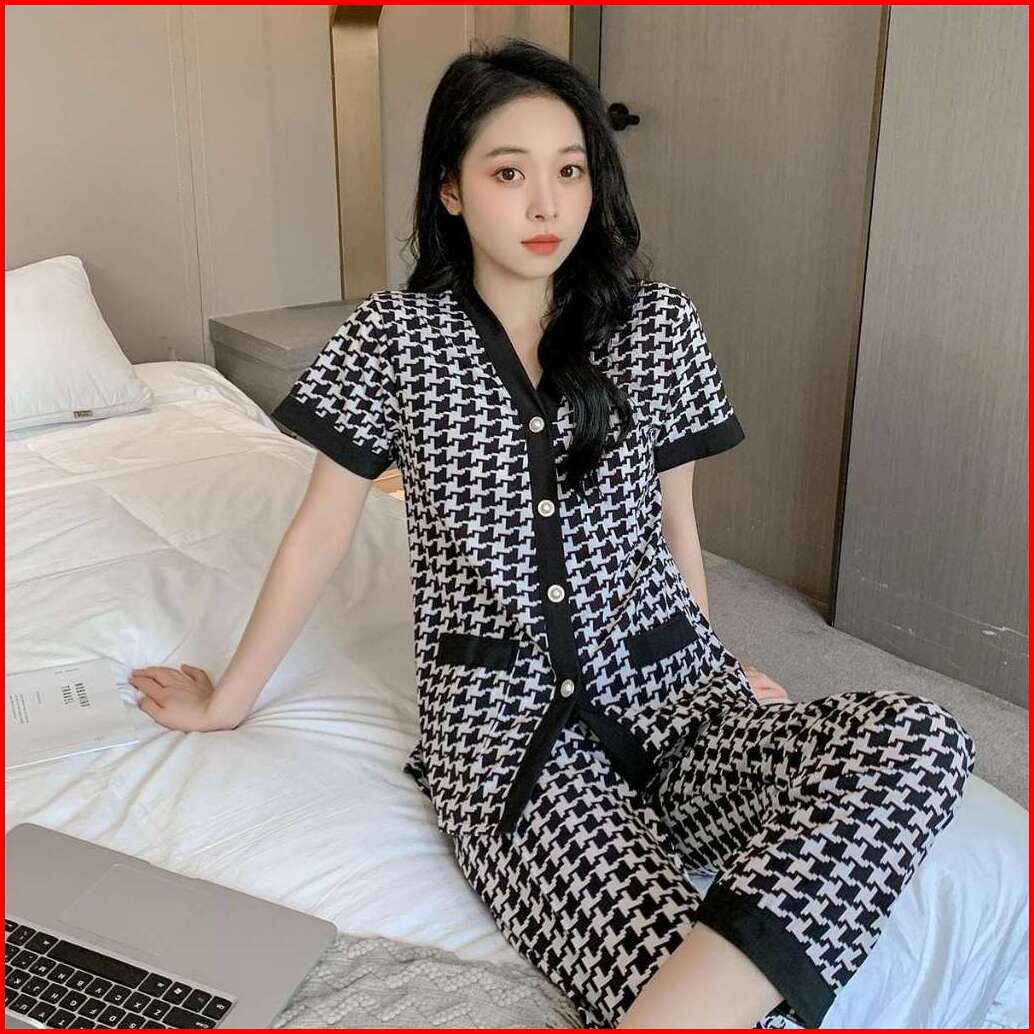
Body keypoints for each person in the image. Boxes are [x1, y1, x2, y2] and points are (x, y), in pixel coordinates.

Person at [130, 37, 976, 1031]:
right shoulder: (393, 341)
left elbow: (674, 521)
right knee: (697, 988)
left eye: (569, 171)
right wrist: (226, 700)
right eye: (508, 173)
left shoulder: (657, 324)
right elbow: (318, 535)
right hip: (513, 745)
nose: (546, 206)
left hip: (679, 706)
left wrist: (716, 666)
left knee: (923, 738)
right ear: (450, 190)